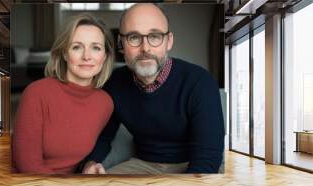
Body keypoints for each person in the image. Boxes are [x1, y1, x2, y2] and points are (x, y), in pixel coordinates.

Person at [82, 3, 225, 174]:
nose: (145, 48)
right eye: (134, 37)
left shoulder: (200, 82)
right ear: (122, 43)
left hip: (190, 166)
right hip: (142, 164)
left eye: (155, 36)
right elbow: (104, 136)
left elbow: (207, 157)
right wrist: (91, 162)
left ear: (168, 41)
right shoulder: (114, 83)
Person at [12, 13, 115, 174]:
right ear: (65, 54)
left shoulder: (105, 103)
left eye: (96, 48)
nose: (87, 56)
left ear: (105, 56)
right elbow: (27, 167)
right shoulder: (36, 93)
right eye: (77, 47)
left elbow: (84, 152)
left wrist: (88, 166)